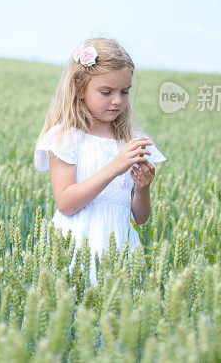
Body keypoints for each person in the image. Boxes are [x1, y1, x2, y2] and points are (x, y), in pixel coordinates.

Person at [34, 37, 167, 285]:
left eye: (125, 92)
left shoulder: (132, 141)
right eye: (107, 92)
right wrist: (114, 168)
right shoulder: (65, 138)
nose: (117, 100)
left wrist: (143, 188)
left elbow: (139, 217)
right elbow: (66, 203)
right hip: (73, 248)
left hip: (120, 248)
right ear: (79, 87)